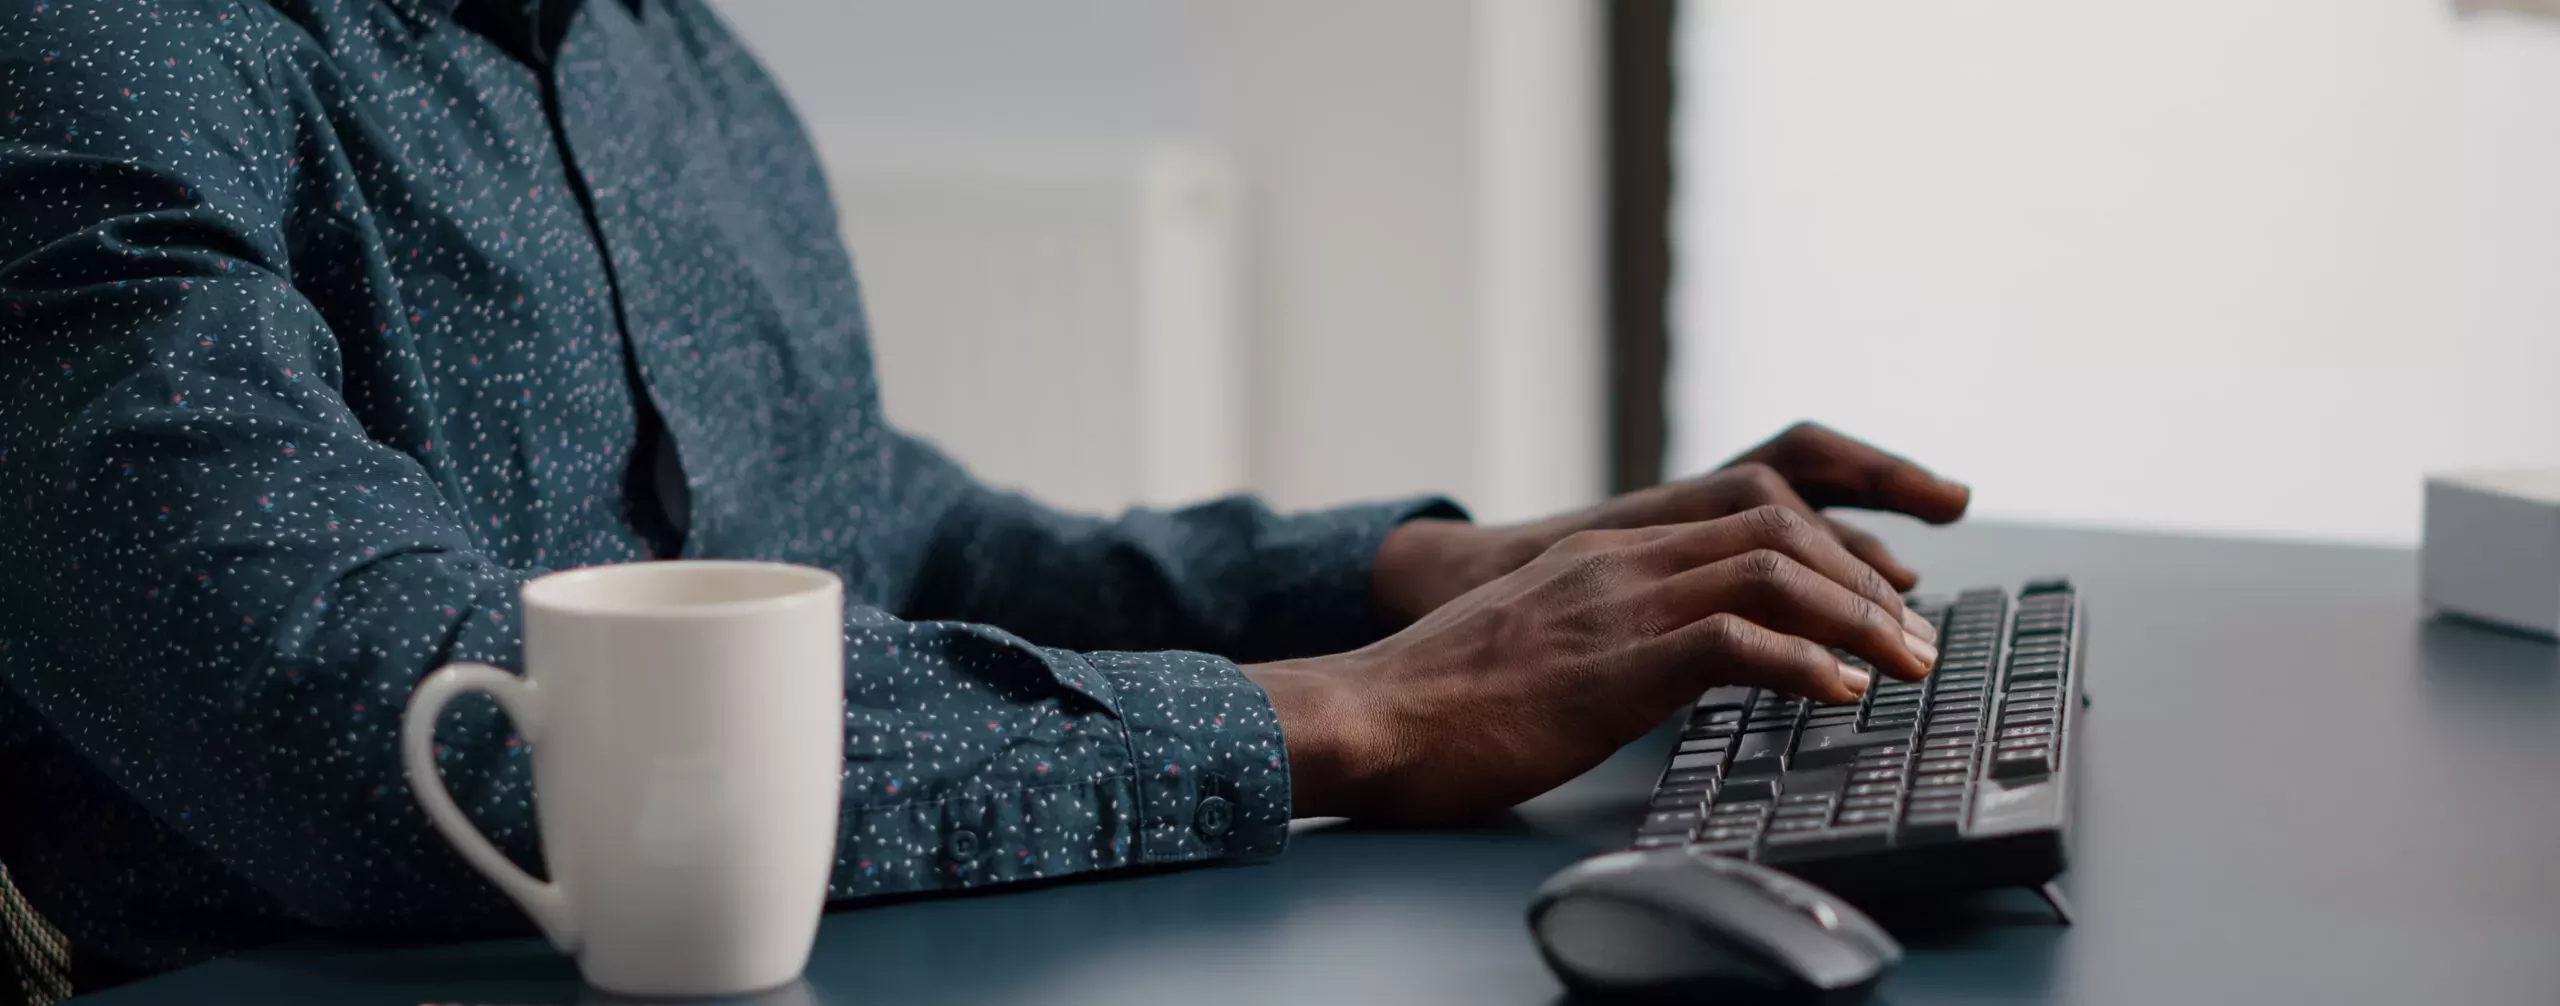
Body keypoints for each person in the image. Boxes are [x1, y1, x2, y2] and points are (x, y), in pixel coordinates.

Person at [0, 0, 1968, 988]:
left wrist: (1400, 573)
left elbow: (868, 532)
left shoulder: (658, 57)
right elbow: (387, 731)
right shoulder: (89, 61)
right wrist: (1353, 715)